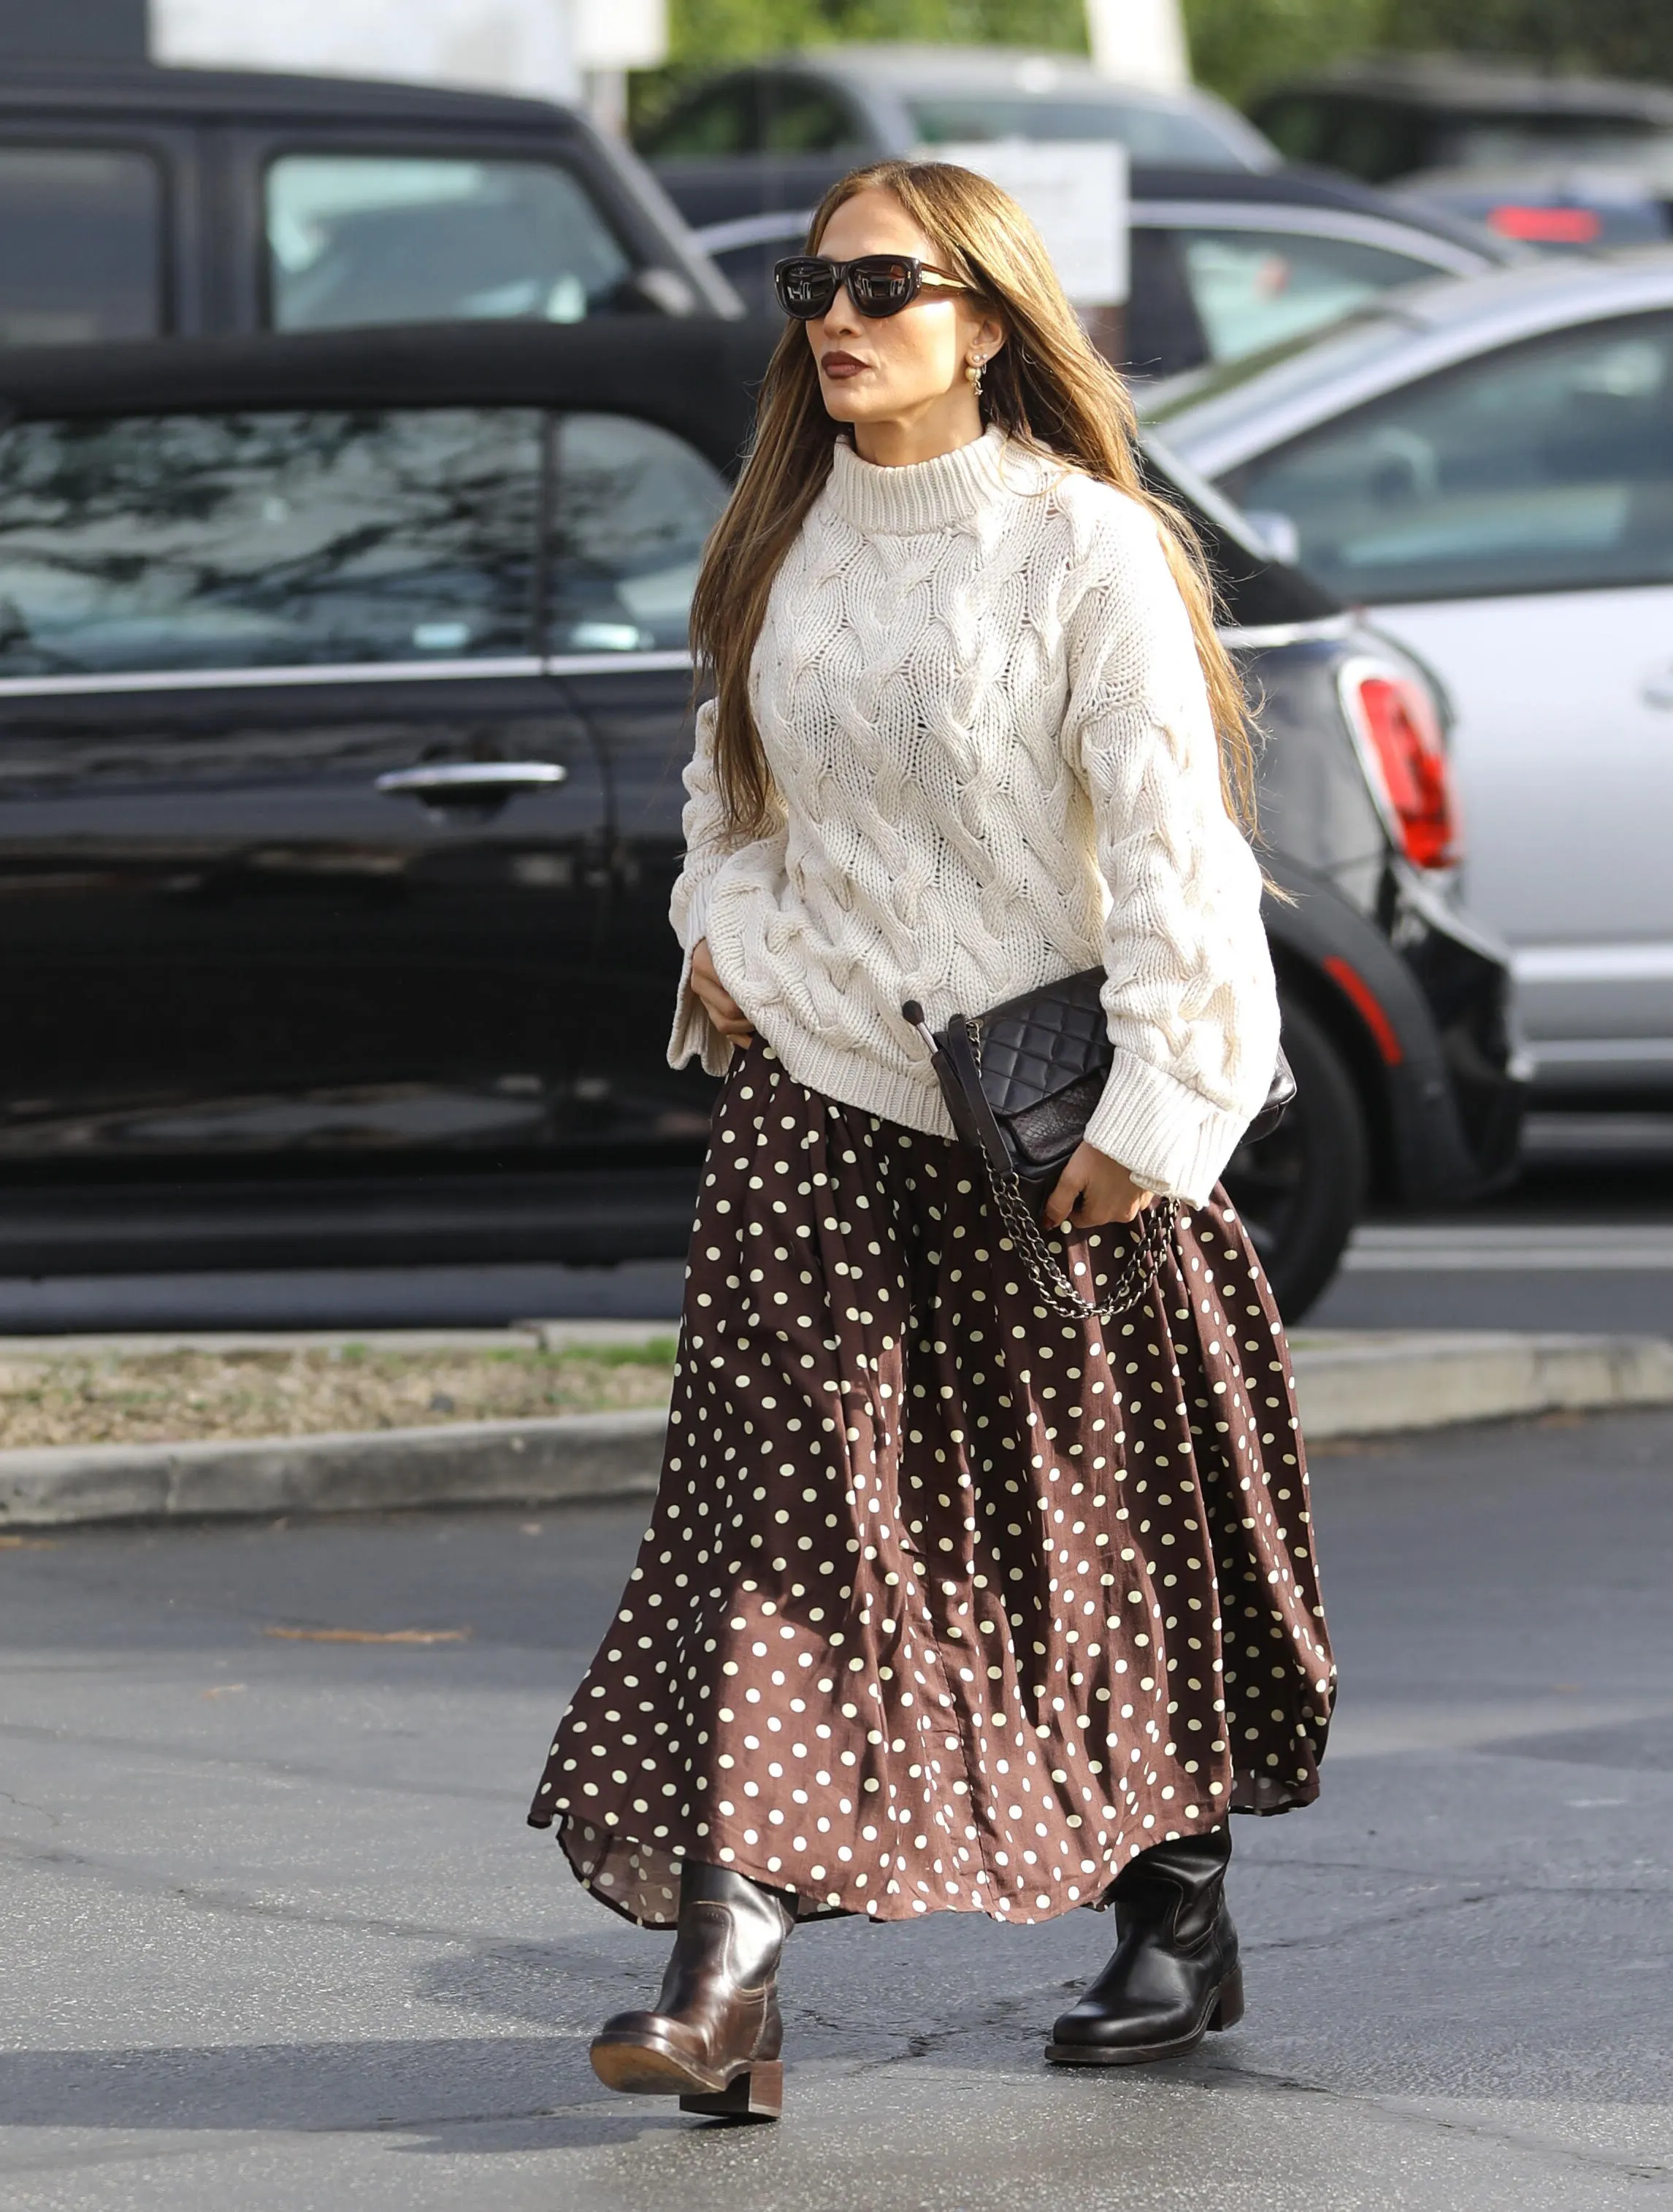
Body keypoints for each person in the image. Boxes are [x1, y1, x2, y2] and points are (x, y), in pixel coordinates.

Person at [528, 157, 1334, 2122]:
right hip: (816, 1114)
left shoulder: (1083, 548)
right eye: (816, 281)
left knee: (1093, 1539)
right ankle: (722, 1971)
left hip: (1050, 1132)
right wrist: (720, 934)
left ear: (987, 315)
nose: (840, 315)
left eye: (887, 284)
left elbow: (1174, 859)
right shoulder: (777, 541)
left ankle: (1176, 1903)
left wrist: (1162, 1112)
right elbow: (730, 814)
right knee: (783, 1542)